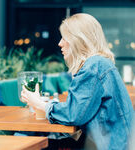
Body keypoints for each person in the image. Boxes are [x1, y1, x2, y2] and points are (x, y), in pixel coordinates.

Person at [21, 13, 133, 150]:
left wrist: (39, 103)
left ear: (79, 40)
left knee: (23, 140)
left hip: (108, 146)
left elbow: (74, 115)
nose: (60, 43)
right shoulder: (100, 64)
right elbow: (78, 110)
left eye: (64, 38)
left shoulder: (93, 66)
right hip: (113, 143)